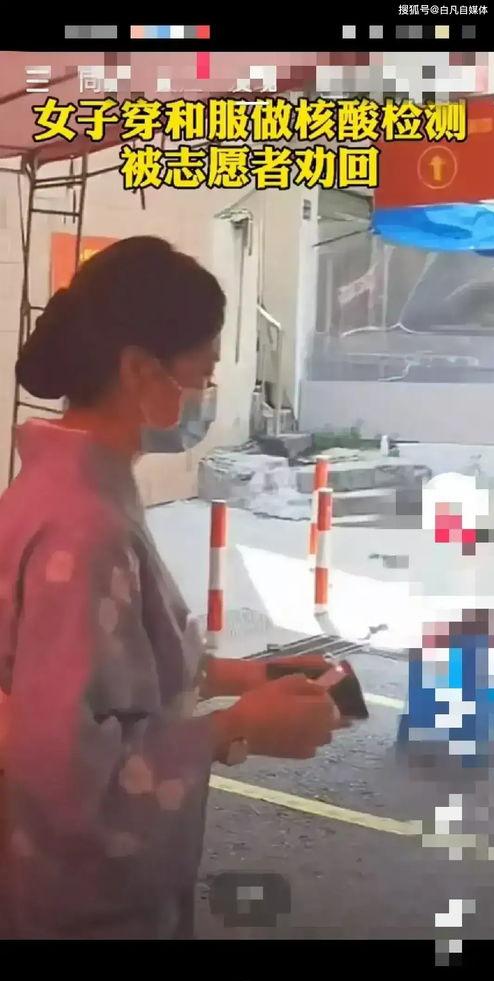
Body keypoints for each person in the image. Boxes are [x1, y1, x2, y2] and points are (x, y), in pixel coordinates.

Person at [0, 236, 350, 940]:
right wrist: (234, 726)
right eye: (204, 371)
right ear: (139, 369)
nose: (206, 395)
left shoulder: (66, 490)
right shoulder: (83, 529)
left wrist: (244, 677)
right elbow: (70, 778)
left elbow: (112, 674)